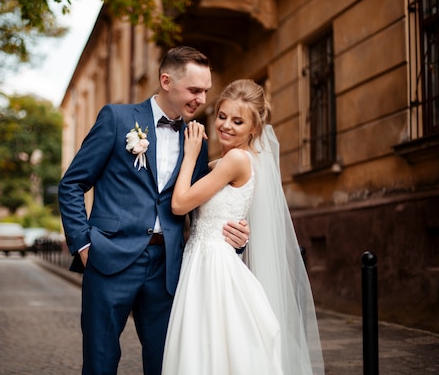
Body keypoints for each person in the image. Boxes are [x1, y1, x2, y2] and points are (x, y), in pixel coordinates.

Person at [57, 46, 251, 375]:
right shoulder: (117, 119)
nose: (202, 99)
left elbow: (201, 204)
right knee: (100, 362)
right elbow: (72, 184)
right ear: (166, 81)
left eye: (205, 90)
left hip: (167, 269)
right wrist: (84, 244)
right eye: (194, 90)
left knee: (167, 364)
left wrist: (235, 236)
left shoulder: (198, 139)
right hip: (108, 259)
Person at [162, 79, 325, 375]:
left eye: (238, 121)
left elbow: (179, 204)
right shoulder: (230, 162)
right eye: (222, 116)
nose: (225, 125)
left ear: (254, 128)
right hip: (206, 261)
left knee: (210, 350)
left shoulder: (235, 159)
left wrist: (189, 154)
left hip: (214, 267)